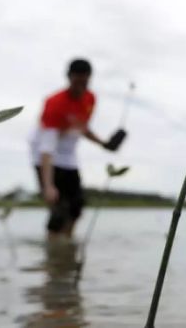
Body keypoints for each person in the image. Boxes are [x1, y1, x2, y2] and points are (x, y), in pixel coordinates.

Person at [30, 58, 118, 239]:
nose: (81, 87)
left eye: (85, 82)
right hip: (45, 155)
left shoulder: (90, 98)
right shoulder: (54, 103)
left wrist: (104, 143)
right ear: (69, 78)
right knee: (58, 209)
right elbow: (47, 148)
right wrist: (48, 186)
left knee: (77, 206)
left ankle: (66, 246)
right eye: (77, 82)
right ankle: (53, 247)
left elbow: (82, 128)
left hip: (69, 155)